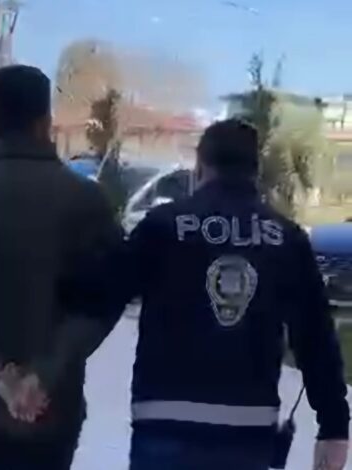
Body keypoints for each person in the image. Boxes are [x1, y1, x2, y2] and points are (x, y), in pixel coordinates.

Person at [111, 119, 349, 470]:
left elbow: (101, 293)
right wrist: (334, 425)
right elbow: (315, 337)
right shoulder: (287, 238)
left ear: (201, 166)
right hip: (247, 430)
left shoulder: (162, 225)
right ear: (255, 171)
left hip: (164, 421)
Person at [0, 64, 124, 470]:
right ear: (44, 121)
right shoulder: (86, 200)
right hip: (48, 411)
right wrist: (43, 374)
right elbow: (100, 303)